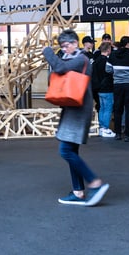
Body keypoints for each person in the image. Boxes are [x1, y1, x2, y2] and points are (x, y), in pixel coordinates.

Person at [42, 29, 109, 207]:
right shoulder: (74, 59)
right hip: (73, 109)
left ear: (74, 43)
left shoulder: (81, 59)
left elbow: (60, 68)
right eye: (62, 47)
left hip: (77, 112)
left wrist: (48, 51)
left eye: (65, 46)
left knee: (65, 151)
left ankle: (94, 183)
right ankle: (78, 191)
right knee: (71, 151)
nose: (64, 49)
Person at [106, 36, 129, 142]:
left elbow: (108, 69)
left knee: (118, 109)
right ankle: (128, 134)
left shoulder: (112, 55)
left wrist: (117, 73)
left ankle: (117, 133)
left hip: (117, 85)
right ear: (128, 44)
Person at [90, 41, 115, 138]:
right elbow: (109, 74)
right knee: (108, 108)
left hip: (98, 89)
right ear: (108, 50)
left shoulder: (96, 61)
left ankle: (100, 127)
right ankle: (105, 128)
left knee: (102, 108)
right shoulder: (107, 62)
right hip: (107, 88)